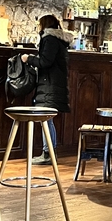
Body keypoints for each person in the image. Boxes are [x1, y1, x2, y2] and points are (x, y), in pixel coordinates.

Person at [21, 14, 73, 163]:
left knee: (46, 119)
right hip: (54, 83)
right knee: (47, 119)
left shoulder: (49, 39)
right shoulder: (59, 39)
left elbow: (45, 62)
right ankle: (49, 152)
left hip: (50, 84)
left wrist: (28, 59)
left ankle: (48, 154)